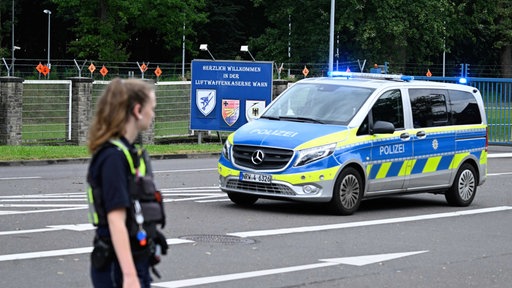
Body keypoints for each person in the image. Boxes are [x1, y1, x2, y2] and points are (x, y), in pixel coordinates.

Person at [86, 78, 167, 288]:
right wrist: (130, 276)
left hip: (132, 258)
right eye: (152, 108)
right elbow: (115, 219)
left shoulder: (125, 152)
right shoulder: (112, 157)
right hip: (117, 268)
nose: (154, 114)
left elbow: (132, 204)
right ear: (138, 110)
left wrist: (150, 233)